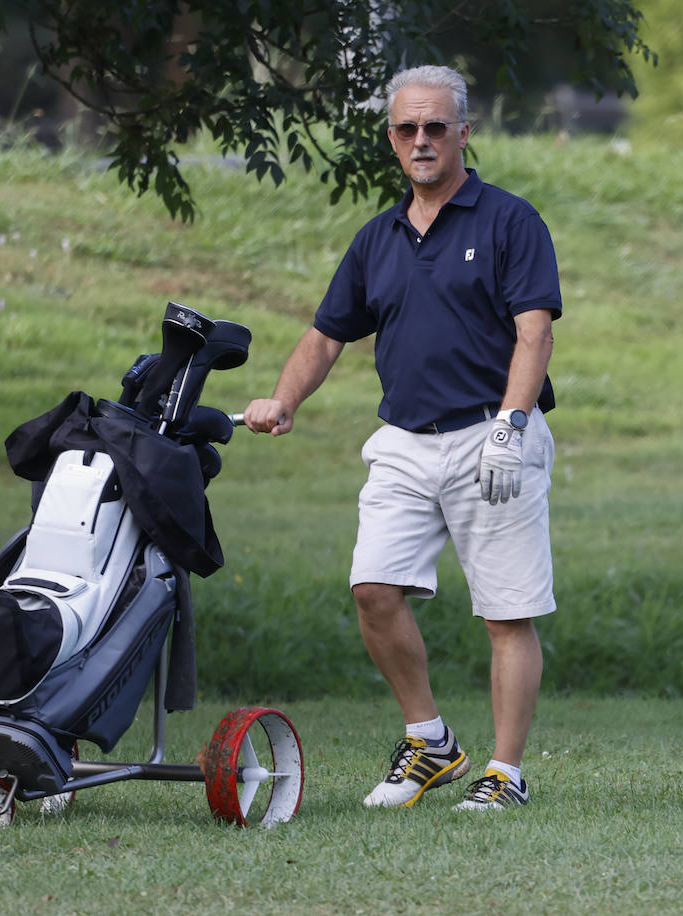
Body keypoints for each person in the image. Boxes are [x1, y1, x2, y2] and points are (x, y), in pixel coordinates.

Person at [242, 64, 561, 811]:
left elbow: (534, 334)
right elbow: (326, 337)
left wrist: (512, 429)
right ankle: (432, 744)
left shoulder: (509, 221)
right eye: (406, 129)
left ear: (463, 134)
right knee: (374, 590)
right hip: (405, 442)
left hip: (492, 432)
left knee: (506, 612)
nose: (421, 140)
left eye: (436, 127)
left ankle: (505, 774)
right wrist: (284, 398)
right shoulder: (377, 238)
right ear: (391, 138)